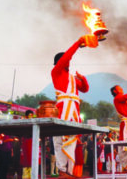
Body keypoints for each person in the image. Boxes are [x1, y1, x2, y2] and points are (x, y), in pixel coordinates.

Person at [51, 35, 98, 177]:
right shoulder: (56, 72)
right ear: (60, 62)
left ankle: (69, 172)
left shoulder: (71, 78)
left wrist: (82, 78)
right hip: (62, 109)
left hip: (74, 111)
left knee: (71, 141)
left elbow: (85, 89)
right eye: (66, 60)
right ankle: (62, 170)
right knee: (59, 140)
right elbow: (67, 57)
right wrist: (78, 43)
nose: (69, 63)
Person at [21, 110, 34, 179]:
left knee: (32, 162)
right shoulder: (23, 124)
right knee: (26, 163)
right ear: (26, 116)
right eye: (29, 116)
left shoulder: (34, 124)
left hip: (31, 143)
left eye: (32, 116)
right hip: (26, 143)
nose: (31, 117)